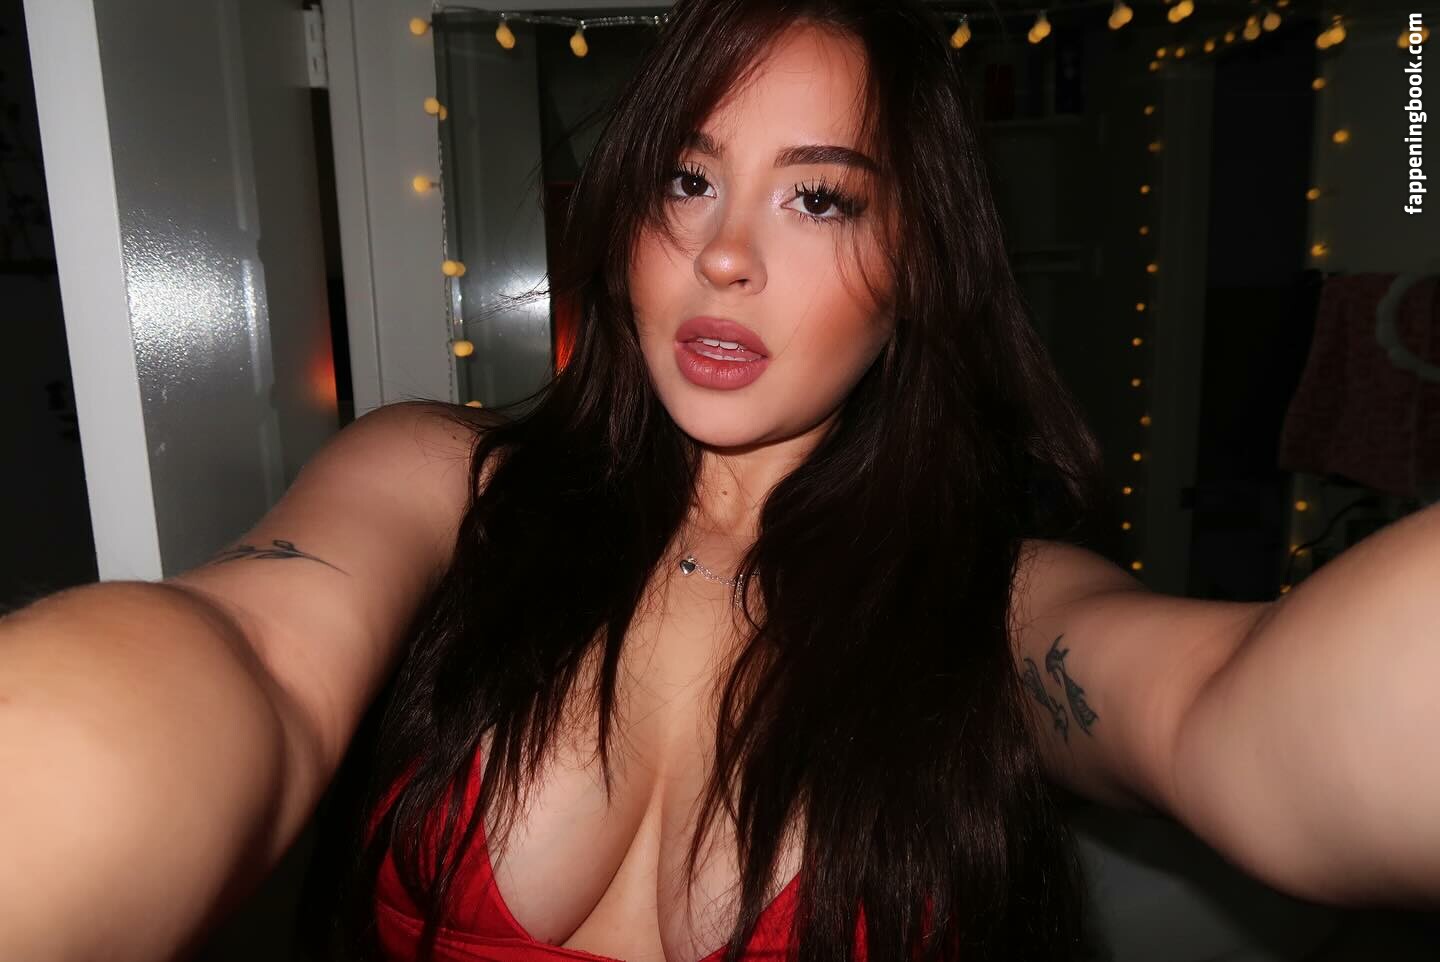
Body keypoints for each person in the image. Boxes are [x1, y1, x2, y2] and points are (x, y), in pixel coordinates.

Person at [2, 0, 1437, 960]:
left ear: (920, 267)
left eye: (819, 196)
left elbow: (1227, 716)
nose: (725, 253)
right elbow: (250, 657)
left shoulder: (992, 603)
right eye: (687, 180)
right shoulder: (444, 482)